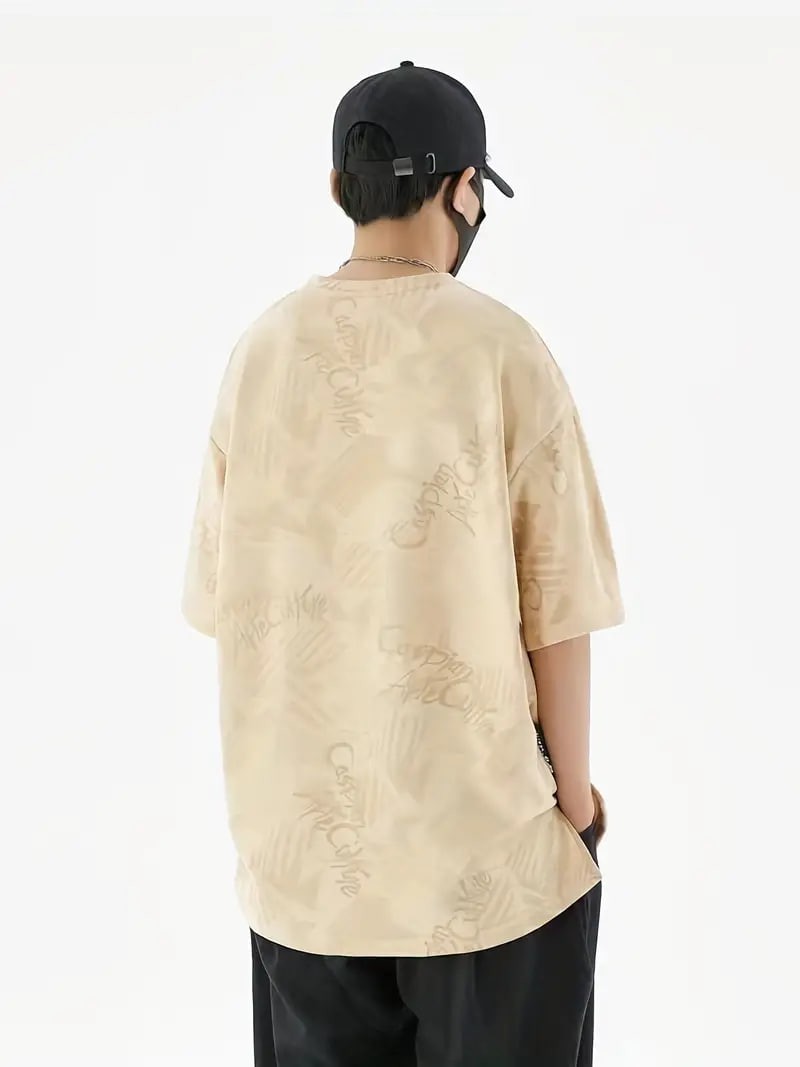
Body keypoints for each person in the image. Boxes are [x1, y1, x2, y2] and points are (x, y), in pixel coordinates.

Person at [181, 59, 624, 1067]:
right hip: (484, 861)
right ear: (465, 189)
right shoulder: (501, 349)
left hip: (305, 870)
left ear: (339, 188)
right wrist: (577, 805)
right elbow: (558, 607)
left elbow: (222, 601)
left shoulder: (260, 353)